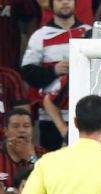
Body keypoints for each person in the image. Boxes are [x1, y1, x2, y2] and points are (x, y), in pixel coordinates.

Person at [20, 0, 91, 150]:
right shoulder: (40, 35)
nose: (65, 2)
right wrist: (53, 71)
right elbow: (27, 72)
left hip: (85, 113)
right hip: (50, 117)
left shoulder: (89, 32)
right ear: (50, 4)